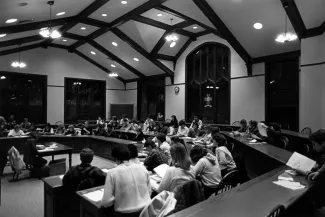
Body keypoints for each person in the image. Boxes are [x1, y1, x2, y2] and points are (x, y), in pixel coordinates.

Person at [101, 146, 151, 216]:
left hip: (124, 214)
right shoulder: (142, 167)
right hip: (145, 211)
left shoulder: (112, 172)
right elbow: (149, 191)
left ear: (115, 159)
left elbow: (106, 202)